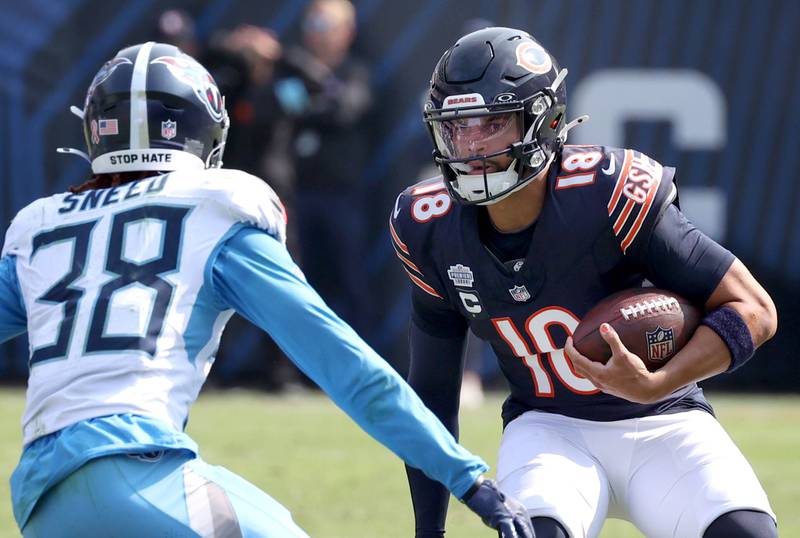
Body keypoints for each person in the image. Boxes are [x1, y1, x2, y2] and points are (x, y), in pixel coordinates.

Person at [0, 42, 535, 538]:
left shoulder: (40, 225)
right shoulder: (215, 209)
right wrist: (468, 479)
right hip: (140, 473)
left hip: (42, 498)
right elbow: (342, 363)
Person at [390, 27, 778, 538]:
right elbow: (433, 394)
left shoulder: (606, 195)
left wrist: (660, 380)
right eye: (458, 128)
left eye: (492, 124)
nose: (471, 146)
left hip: (666, 418)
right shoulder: (427, 227)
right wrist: (428, 532)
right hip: (549, 429)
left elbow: (754, 309)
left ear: (545, 121)